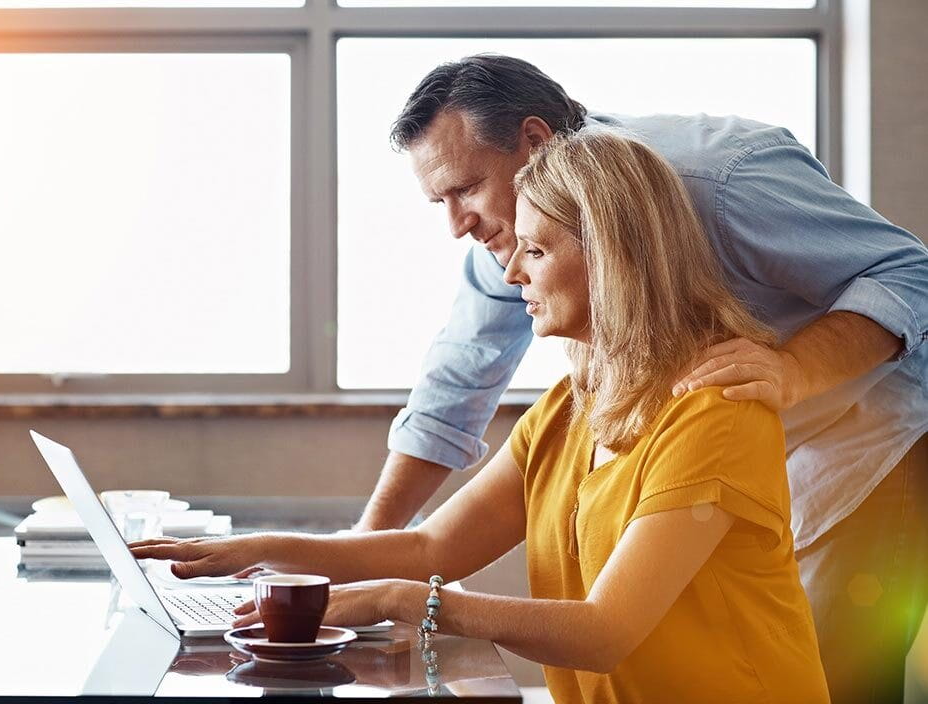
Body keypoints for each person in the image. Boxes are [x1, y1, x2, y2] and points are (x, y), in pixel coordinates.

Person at [132, 128, 830, 704]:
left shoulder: (717, 416)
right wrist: (259, 549)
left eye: (536, 249)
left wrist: (401, 601)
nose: (510, 275)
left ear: (615, 257)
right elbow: (431, 549)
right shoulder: (569, 409)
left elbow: (606, 631)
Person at [353, 54, 928, 703]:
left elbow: (911, 277)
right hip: (724, 436)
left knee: (835, 670)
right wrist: (363, 565)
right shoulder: (514, 234)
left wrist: (792, 370)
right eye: (439, 201)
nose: (457, 223)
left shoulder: (721, 179)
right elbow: (452, 392)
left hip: (861, 437)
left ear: (535, 142)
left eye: (464, 189)